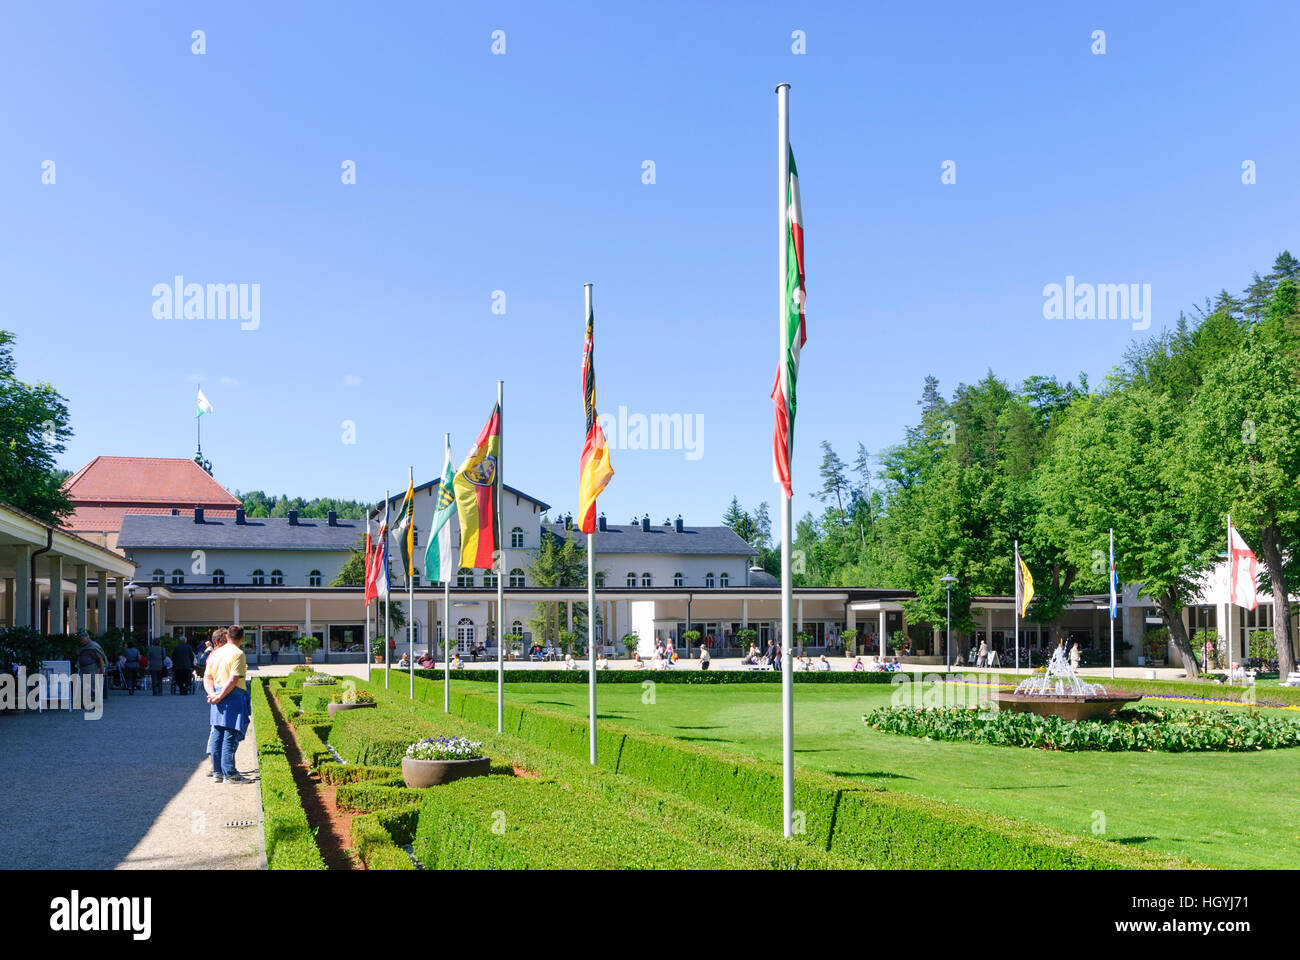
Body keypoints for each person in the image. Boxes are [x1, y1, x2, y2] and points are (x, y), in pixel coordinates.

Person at [205, 625, 252, 784]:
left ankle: (217, 772)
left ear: (227, 637)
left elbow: (208, 677)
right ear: (242, 638)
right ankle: (230, 773)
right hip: (232, 695)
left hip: (218, 692)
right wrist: (220, 696)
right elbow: (233, 680)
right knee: (230, 734)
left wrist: (213, 694)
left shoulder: (216, 653)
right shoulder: (238, 654)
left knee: (218, 733)